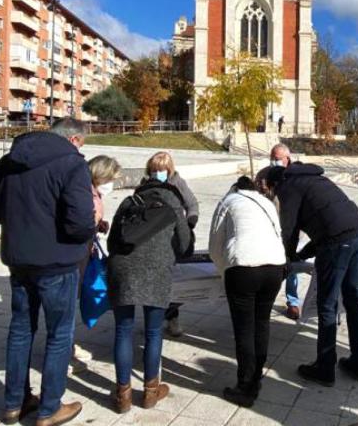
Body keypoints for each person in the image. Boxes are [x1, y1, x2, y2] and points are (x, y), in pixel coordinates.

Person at [0, 118, 95, 426]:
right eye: (81, 143)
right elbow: (81, 221)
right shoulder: (72, 163)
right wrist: (80, 237)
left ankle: (15, 402)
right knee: (59, 334)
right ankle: (50, 408)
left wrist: (16, 221)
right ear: (74, 139)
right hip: (58, 262)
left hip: (19, 260)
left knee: (21, 330)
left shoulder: (10, 160)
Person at [265, 161, 358, 387]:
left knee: (327, 305)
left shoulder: (288, 187)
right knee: (353, 301)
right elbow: (325, 222)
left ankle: (325, 367)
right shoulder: (314, 178)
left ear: (274, 184)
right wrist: (301, 255)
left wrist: (286, 259)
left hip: (336, 243)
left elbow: (289, 230)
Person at [106, 169, 194, 413]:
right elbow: (185, 245)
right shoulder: (173, 204)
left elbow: (112, 242)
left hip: (122, 268)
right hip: (156, 270)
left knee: (123, 331)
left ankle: (123, 396)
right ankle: (150, 392)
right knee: (153, 333)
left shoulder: (128, 202)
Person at [208, 176, 287, 407]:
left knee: (244, 328)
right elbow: (278, 233)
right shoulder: (267, 203)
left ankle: (244, 386)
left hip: (243, 267)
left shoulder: (228, 201)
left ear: (234, 188)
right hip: (274, 266)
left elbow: (215, 246)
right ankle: (256, 378)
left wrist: (224, 270)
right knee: (261, 324)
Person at [67, 155, 122, 375]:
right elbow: (78, 223)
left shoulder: (94, 192)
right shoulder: (84, 193)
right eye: (110, 179)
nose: (111, 184)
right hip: (75, 255)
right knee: (68, 303)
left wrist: (99, 225)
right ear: (100, 175)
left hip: (85, 251)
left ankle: (68, 345)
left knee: (72, 302)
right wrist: (92, 226)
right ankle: (64, 352)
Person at [140, 152, 200, 337]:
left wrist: (188, 225)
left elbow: (192, 205)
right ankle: (153, 320)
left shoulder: (177, 183)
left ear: (169, 170)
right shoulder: (144, 184)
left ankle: (172, 318)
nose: (157, 173)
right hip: (150, 238)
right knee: (150, 281)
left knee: (171, 282)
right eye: (154, 170)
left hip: (172, 238)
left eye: (161, 170)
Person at [260, 144, 302, 320]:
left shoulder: (296, 174)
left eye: (277, 158)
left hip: (291, 228)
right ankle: (265, 299)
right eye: (272, 158)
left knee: (290, 264)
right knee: (267, 265)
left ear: (287, 158)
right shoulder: (264, 174)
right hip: (268, 228)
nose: (273, 161)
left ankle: (293, 301)